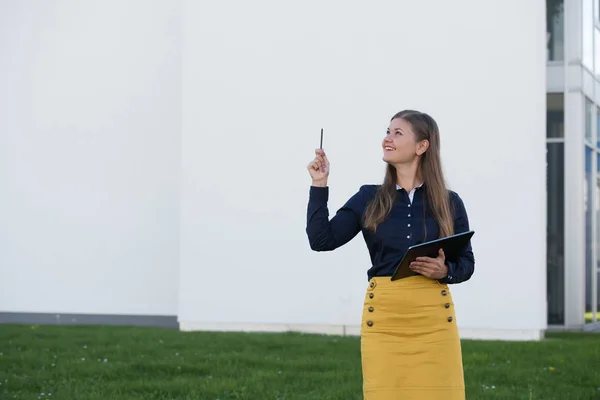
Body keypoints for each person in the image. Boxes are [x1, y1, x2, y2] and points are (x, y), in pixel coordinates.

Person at [305, 109, 475, 400]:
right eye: (387, 132)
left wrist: (444, 271)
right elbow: (322, 240)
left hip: (433, 321)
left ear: (422, 146)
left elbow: (467, 264)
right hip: (384, 320)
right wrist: (319, 185)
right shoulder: (368, 198)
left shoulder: (449, 202)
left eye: (398, 133)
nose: (388, 139)